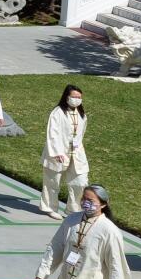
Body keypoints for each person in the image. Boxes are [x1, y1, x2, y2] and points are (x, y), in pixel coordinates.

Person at [41, 86, 90, 220]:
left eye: (79, 97)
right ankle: (50, 207)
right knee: (53, 182)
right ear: (67, 97)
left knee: (80, 181)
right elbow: (52, 133)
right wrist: (57, 152)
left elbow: (81, 134)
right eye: (74, 97)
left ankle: (74, 210)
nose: (77, 100)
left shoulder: (82, 115)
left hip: (76, 153)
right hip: (57, 153)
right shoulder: (57, 112)